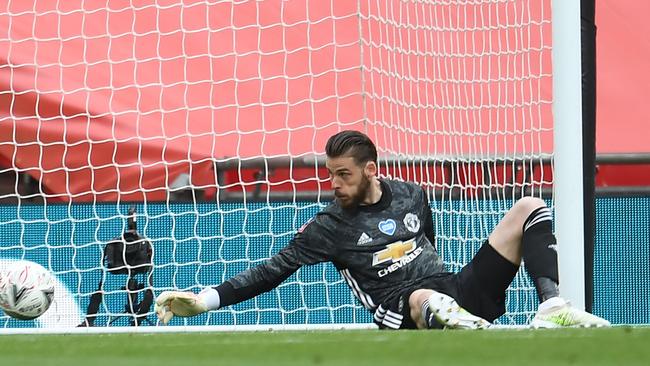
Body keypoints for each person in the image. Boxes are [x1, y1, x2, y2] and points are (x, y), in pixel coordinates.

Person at [155, 130, 610, 329]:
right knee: (421, 299)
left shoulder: (412, 194)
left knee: (529, 207)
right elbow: (272, 270)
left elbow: (426, 240)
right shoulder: (328, 226)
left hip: (453, 289)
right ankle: (464, 331)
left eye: (343, 175)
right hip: (401, 310)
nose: (333, 184)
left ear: (370, 170)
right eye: (330, 174)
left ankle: (551, 304)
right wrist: (204, 301)